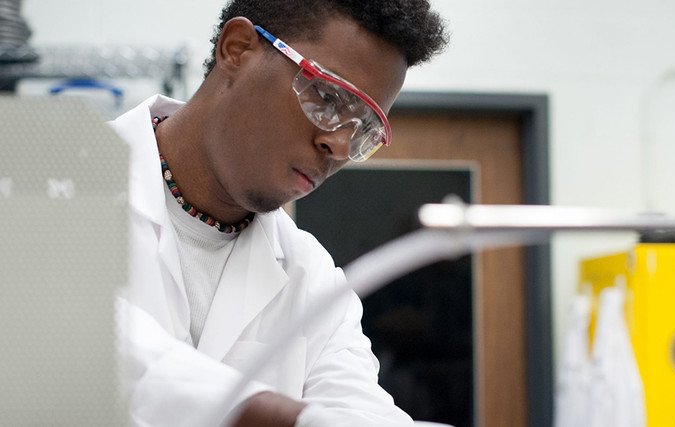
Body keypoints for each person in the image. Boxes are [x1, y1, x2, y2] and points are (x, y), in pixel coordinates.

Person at [109, 1, 448, 426]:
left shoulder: (311, 274)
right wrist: (279, 416)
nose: (340, 147)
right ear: (238, 49)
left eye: (364, 129)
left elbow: (359, 412)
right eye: (327, 96)